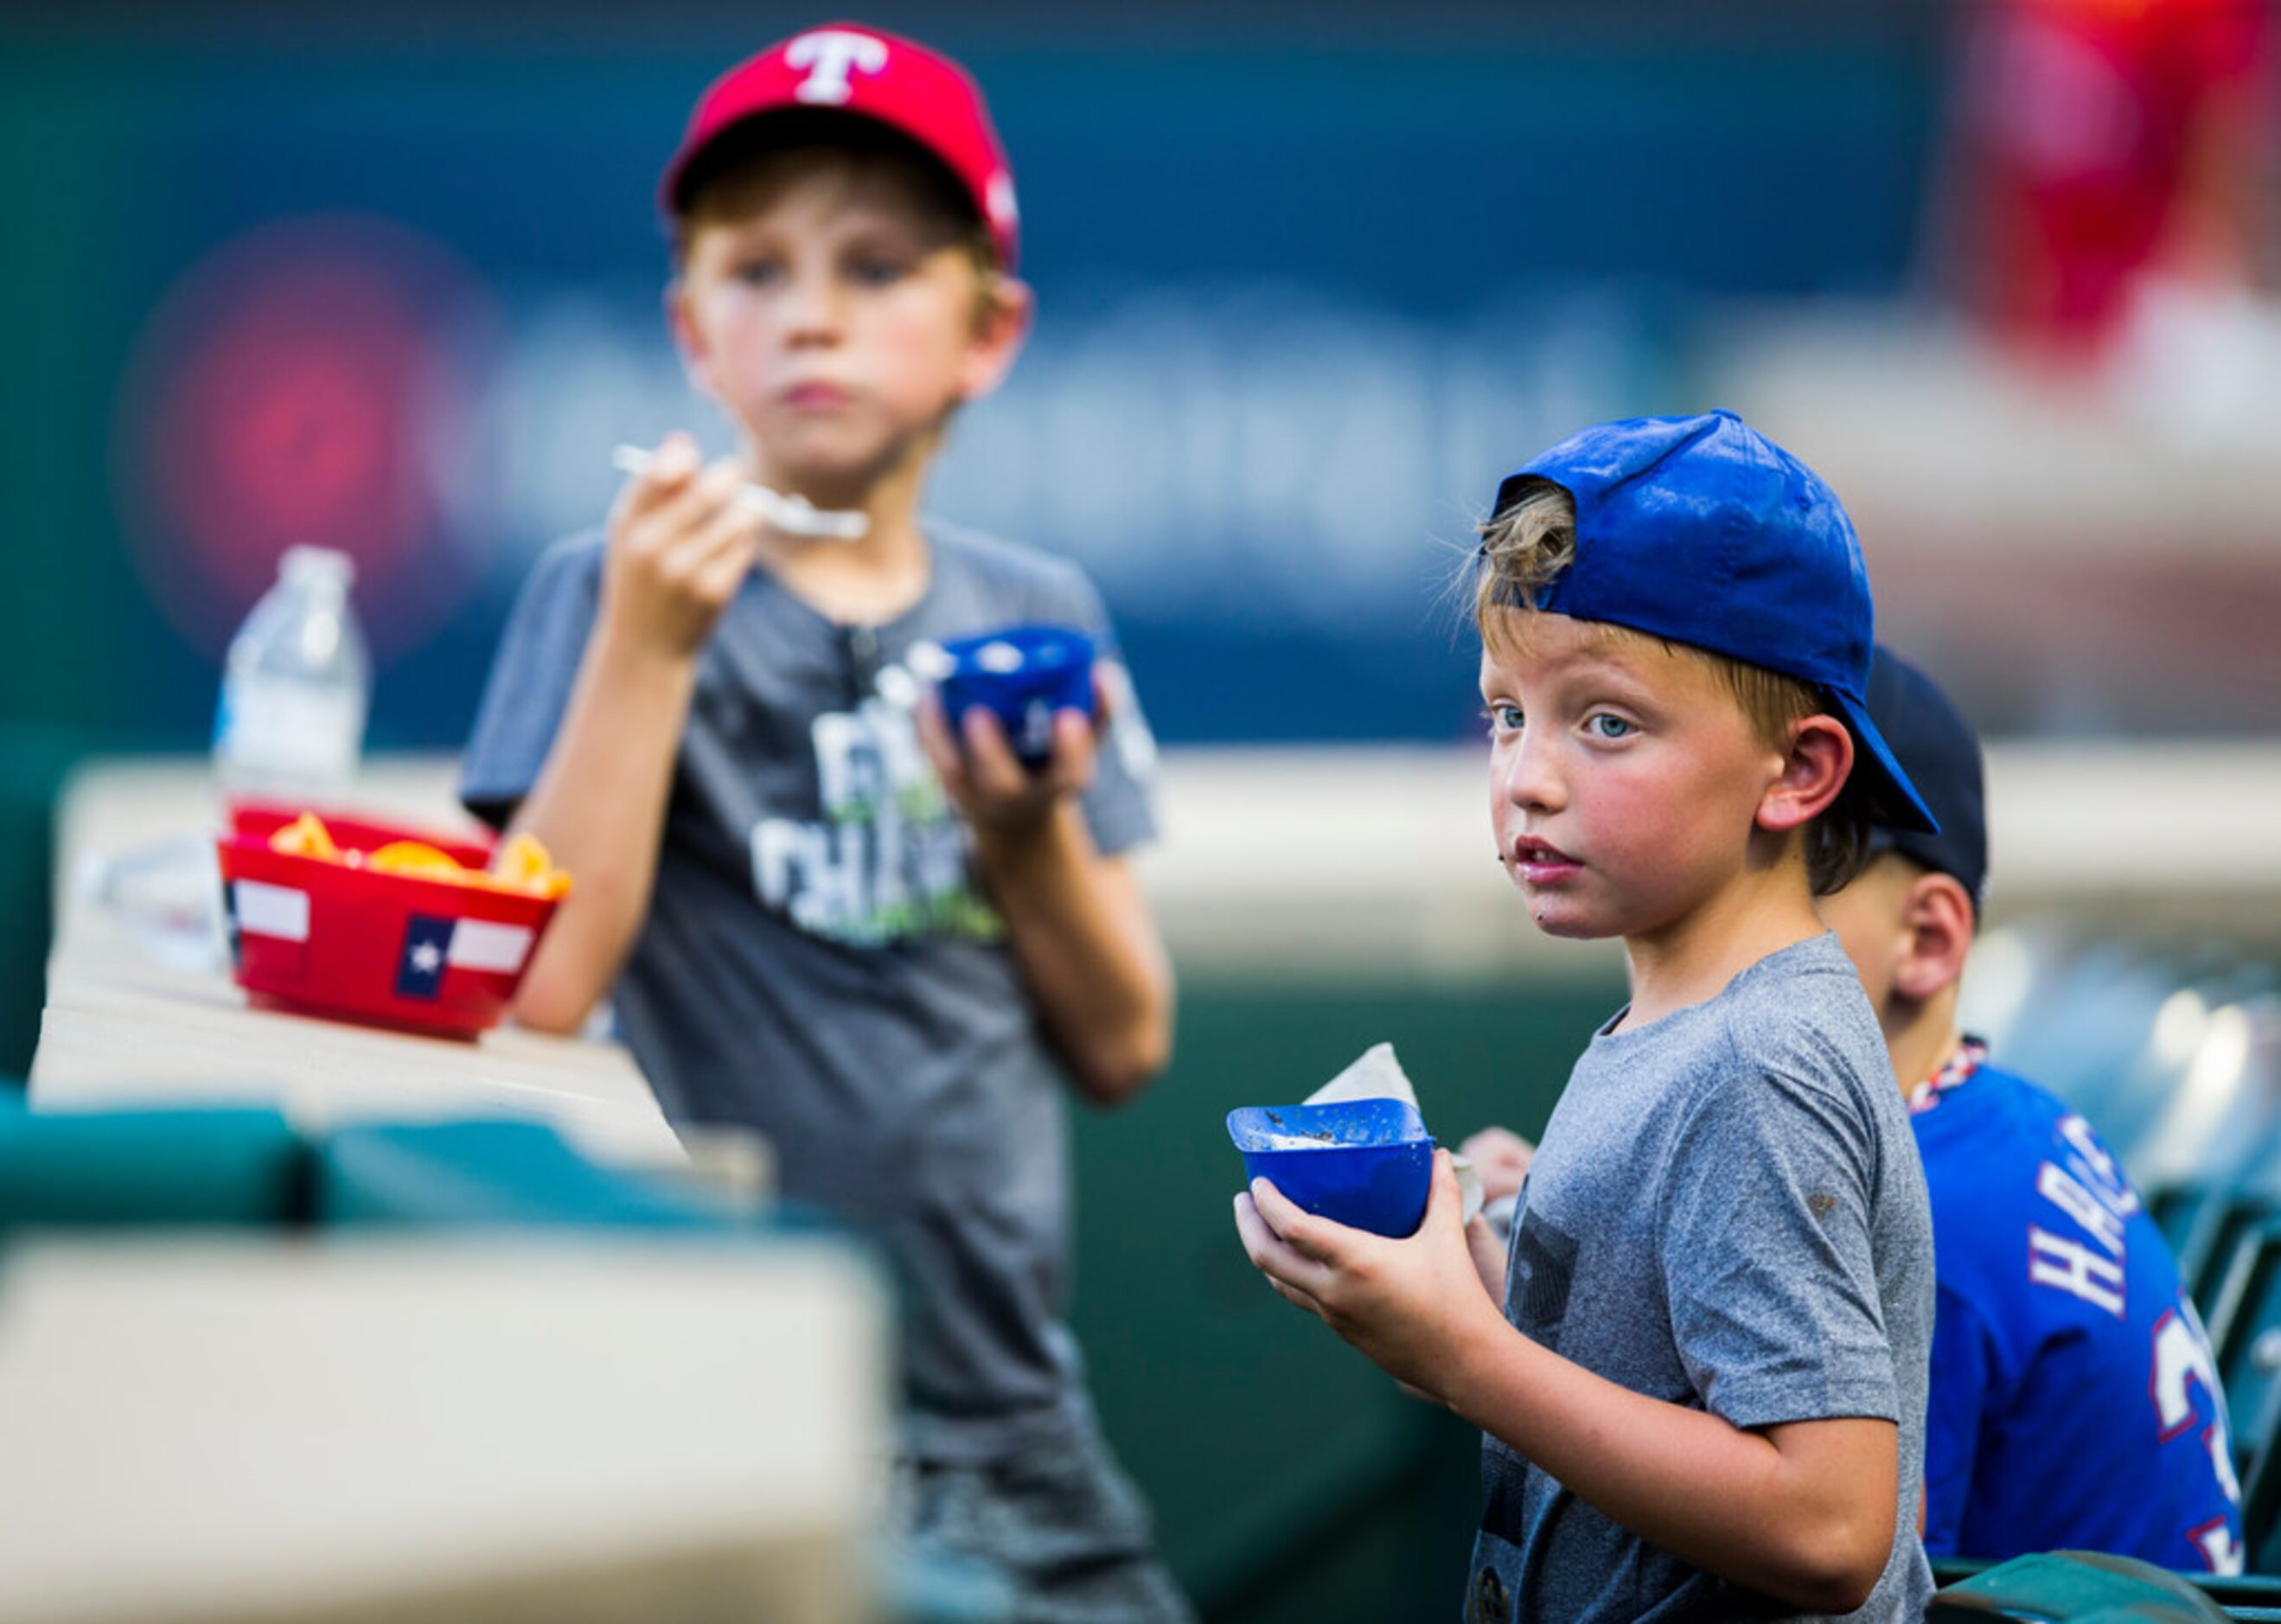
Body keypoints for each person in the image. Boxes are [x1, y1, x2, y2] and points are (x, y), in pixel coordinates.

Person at [457, 24, 1189, 1619]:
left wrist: (1021, 835)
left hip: (1011, 1422)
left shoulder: (1039, 609)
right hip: (714, 1407)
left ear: (987, 333)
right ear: (689, 330)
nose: (809, 313)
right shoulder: (606, 587)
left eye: (873, 268)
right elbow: (538, 980)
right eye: (755, 269)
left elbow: (1126, 1039)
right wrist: (649, 645)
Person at [1234, 410, 1939, 1621]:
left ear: (1798, 771)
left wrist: (1472, 1357)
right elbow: (1653, 1380)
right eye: (1508, 712)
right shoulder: (1676, 1018)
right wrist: (1461, 1289)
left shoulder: (1755, 1059)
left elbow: (1829, 1525)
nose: (1527, 776)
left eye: (1604, 722)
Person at [1818, 648, 2243, 1573]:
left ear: (1925, 940)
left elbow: (1843, 1587)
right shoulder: (1988, 1122)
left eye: (1788, 868)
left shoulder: (1916, 1219)